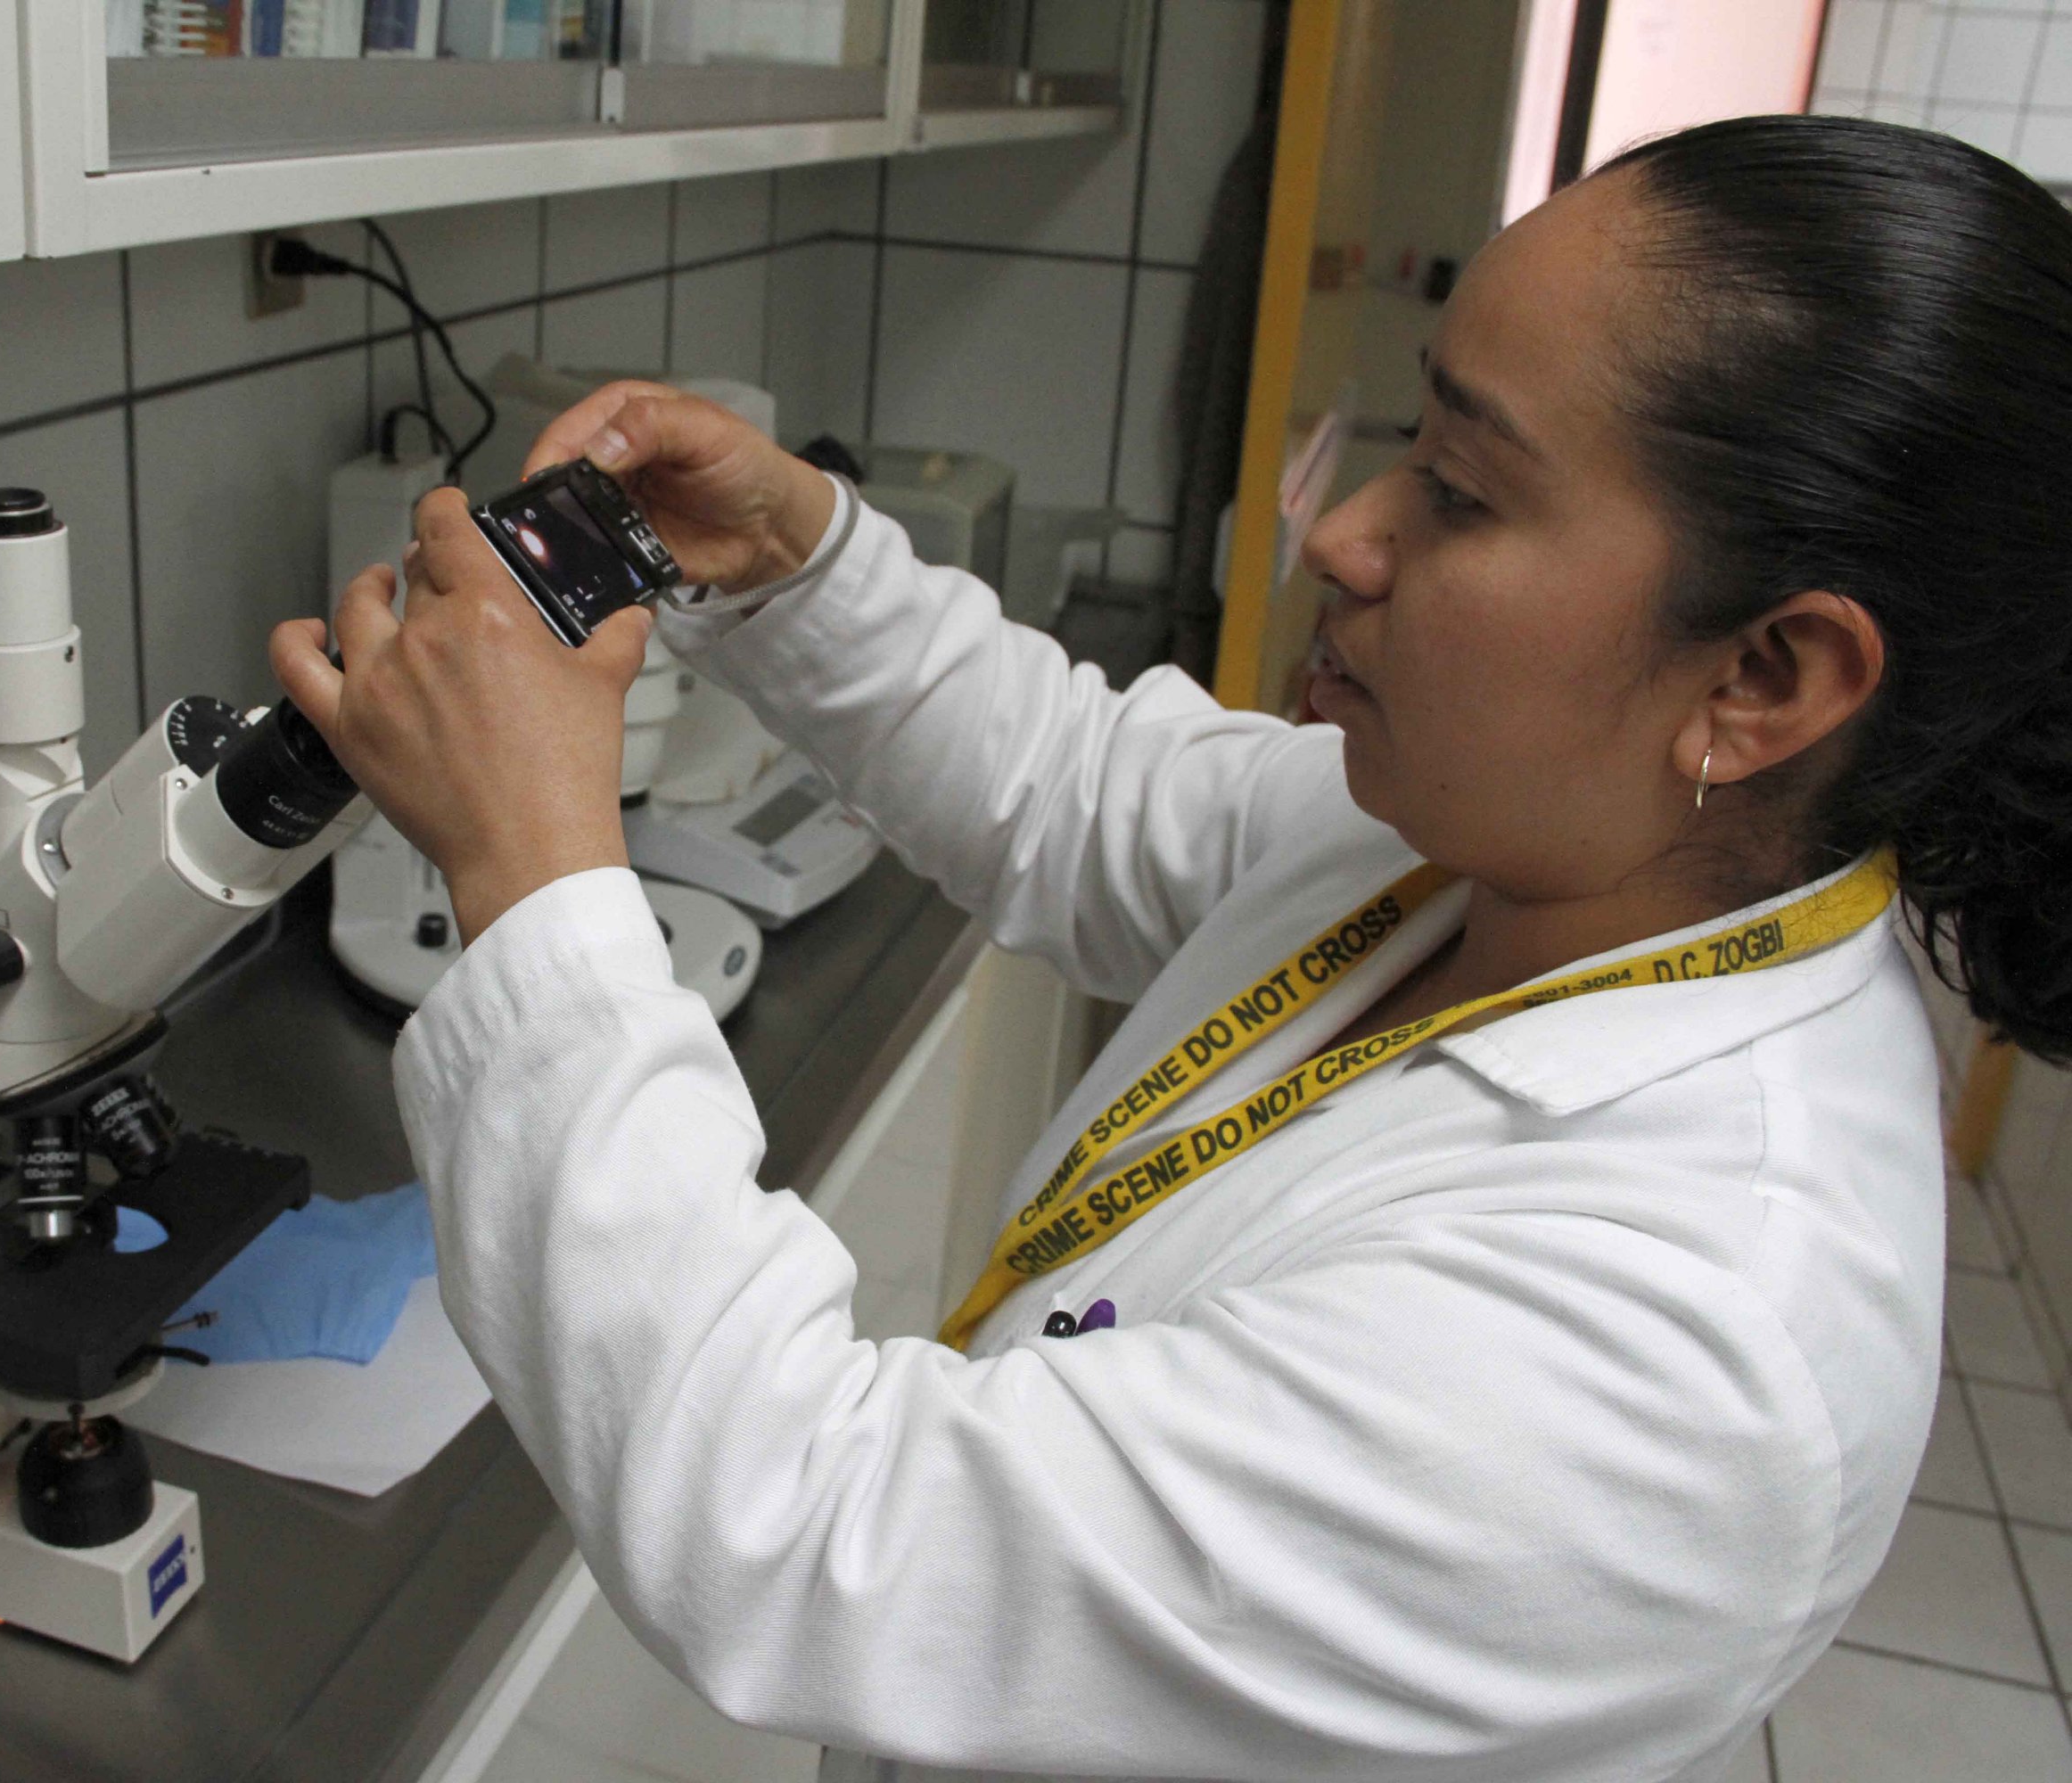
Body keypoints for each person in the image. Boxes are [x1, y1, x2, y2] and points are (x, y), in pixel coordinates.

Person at [267, 115, 2072, 1781]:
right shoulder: (1519, 857)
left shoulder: (1680, 1360)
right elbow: (1075, 790)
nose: (1349, 531)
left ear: (1765, 677)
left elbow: (808, 1527)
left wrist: (532, 865)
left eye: (1460, 487)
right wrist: (794, 559)